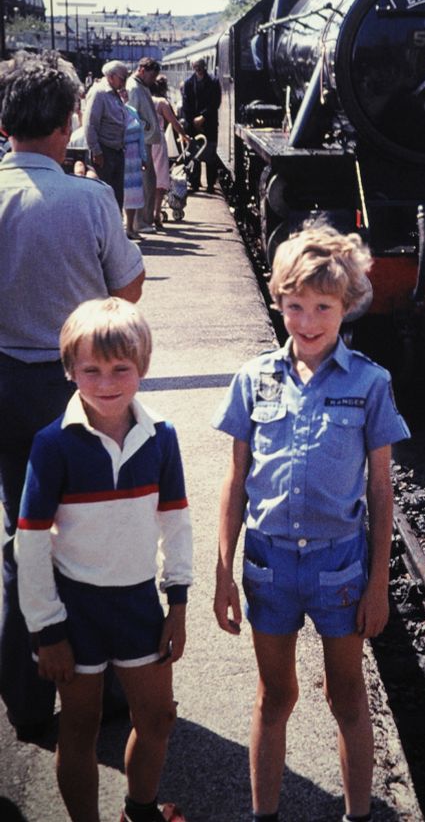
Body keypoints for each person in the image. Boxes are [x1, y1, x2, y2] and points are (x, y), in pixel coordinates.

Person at [212, 222, 410, 822]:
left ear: (346, 306)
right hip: (269, 564)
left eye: (322, 307)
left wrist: (379, 584)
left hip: (338, 566)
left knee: (346, 697)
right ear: (278, 302)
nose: (307, 321)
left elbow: (380, 490)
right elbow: (235, 481)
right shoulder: (254, 380)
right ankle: (264, 813)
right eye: (294, 306)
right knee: (275, 696)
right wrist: (223, 572)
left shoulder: (370, 384)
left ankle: (358, 814)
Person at [0, 50, 145, 742]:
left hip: (3, 387)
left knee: (24, 537)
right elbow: (130, 289)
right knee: (92, 535)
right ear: (66, 125)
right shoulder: (88, 198)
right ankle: (109, 691)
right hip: (78, 393)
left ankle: (26, 701)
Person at [15, 297, 192, 822]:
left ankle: (139, 810)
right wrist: (47, 630)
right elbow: (30, 540)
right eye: (91, 369)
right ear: (70, 371)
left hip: (138, 604)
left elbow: (176, 522)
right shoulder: (53, 445)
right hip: (77, 611)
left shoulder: (161, 438)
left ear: (143, 368)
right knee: (80, 726)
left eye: (122, 369)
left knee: (158, 717)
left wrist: (177, 603)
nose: (107, 382)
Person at [83, 60, 131, 208]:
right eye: (122, 79)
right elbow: (90, 124)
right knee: (104, 196)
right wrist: (96, 151)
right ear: (111, 76)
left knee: (117, 197)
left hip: (116, 150)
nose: (124, 83)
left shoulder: (114, 94)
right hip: (104, 152)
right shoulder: (99, 93)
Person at [127, 58, 164, 233]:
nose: (153, 80)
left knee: (149, 180)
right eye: (151, 76)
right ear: (142, 70)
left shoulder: (141, 86)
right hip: (141, 139)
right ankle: (139, 222)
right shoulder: (134, 87)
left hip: (146, 139)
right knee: (144, 181)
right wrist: (146, 125)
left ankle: (145, 220)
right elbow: (131, 113)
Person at [150, 76, 190, 230]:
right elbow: (175, 123)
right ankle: (156, 213)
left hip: (143, 142)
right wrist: (184, 135)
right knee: (160, 179)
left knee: (146, 179)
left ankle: (144, 214)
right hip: (158, 144)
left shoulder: (143, 100)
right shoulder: (162, 103)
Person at [181, 59, 221, 193]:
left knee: (210, 155)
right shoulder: (188, 84)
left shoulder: (214, 82)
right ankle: (194, 182)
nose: (198, 69)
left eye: (200, 66)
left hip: (209, 123)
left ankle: (210, 184)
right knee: (193, 153)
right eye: (195, 66)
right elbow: (186, 105)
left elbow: (215, 102)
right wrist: (193, 120)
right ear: (193, 67)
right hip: (192, 125)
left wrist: (203, 117)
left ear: (204, 66)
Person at [120, 88, 147, 241]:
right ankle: (121, 230)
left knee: (134, 194)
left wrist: (143, 157)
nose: (123, 95)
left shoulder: (132, 111)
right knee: (120, 193)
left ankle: (130, 228)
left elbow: (141, 136)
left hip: (134, 156)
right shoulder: (113, 112)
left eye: (125, 93)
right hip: (121, 156)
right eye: (120, 93)